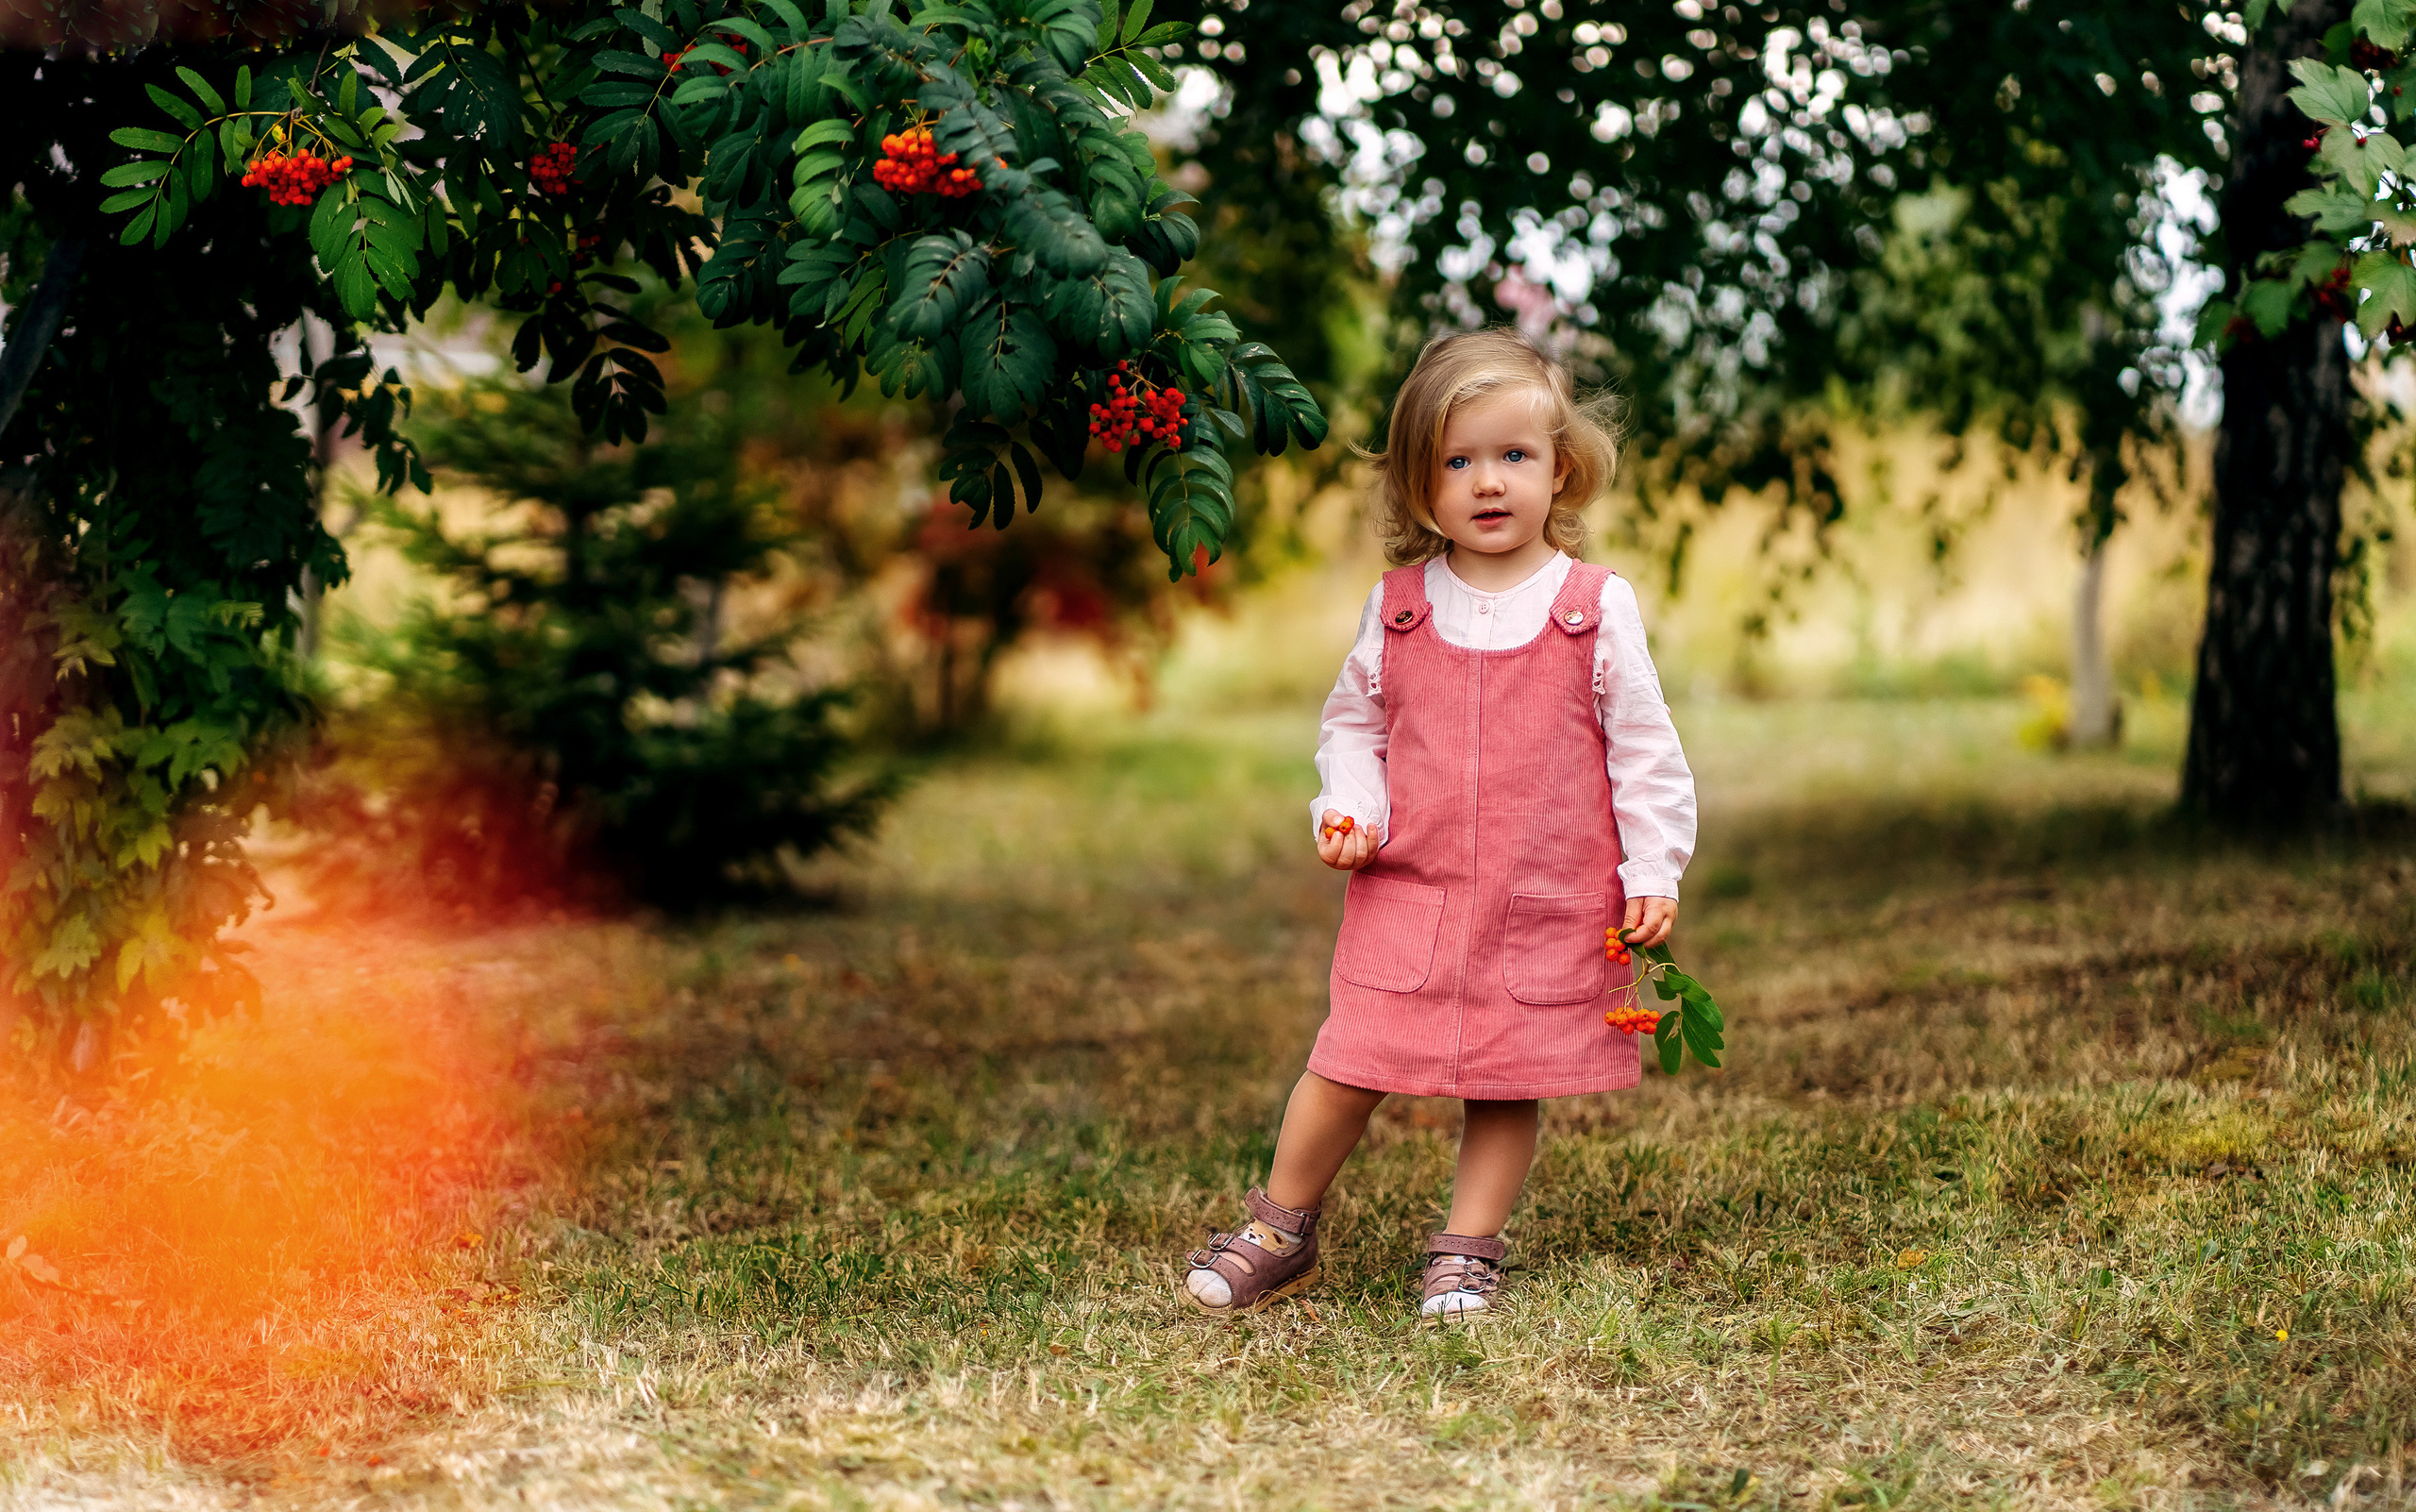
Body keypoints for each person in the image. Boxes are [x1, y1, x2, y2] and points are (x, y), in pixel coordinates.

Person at [1180, 328, 1697, 1322]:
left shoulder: (1594, 609)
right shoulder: (1401, 609)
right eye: (1457, 462)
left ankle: (1468, 1246)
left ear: (1563, 471)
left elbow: (1643, 749)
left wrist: (1653, 866)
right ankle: (1279, 1225)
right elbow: (1355, 726)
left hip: (1537, 895)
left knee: (1507, 1077)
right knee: (1348, 1060)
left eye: (1514, 456)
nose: (1488, 482)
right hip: (1409, 890)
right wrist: (1351, 810)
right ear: (1421, 487)